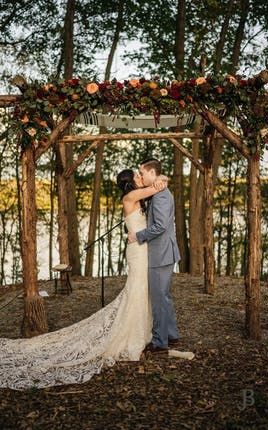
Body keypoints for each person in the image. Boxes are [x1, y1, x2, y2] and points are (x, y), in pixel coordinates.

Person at [0, 169, 167, 390]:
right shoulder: (130, 197)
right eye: (136, 177)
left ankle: (142, 330)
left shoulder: (136, 197)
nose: (139, 178)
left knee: (141, 290)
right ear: (129, 183)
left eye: (140, 175)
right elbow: (156, 187)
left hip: (142, 248)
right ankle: (130, 334)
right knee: (136, 289)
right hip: (137, 251)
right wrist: (161, 179)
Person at [128, 158, 180, 354]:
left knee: (159, 299)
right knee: (164, 297)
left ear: (152, 173)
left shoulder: (161, 196)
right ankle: (171, 334)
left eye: (142, 173)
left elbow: (160, 226)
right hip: (162, 252)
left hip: (161, 253)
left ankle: (159, 341)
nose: (140, 176)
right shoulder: (157, 192)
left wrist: (138, 236)